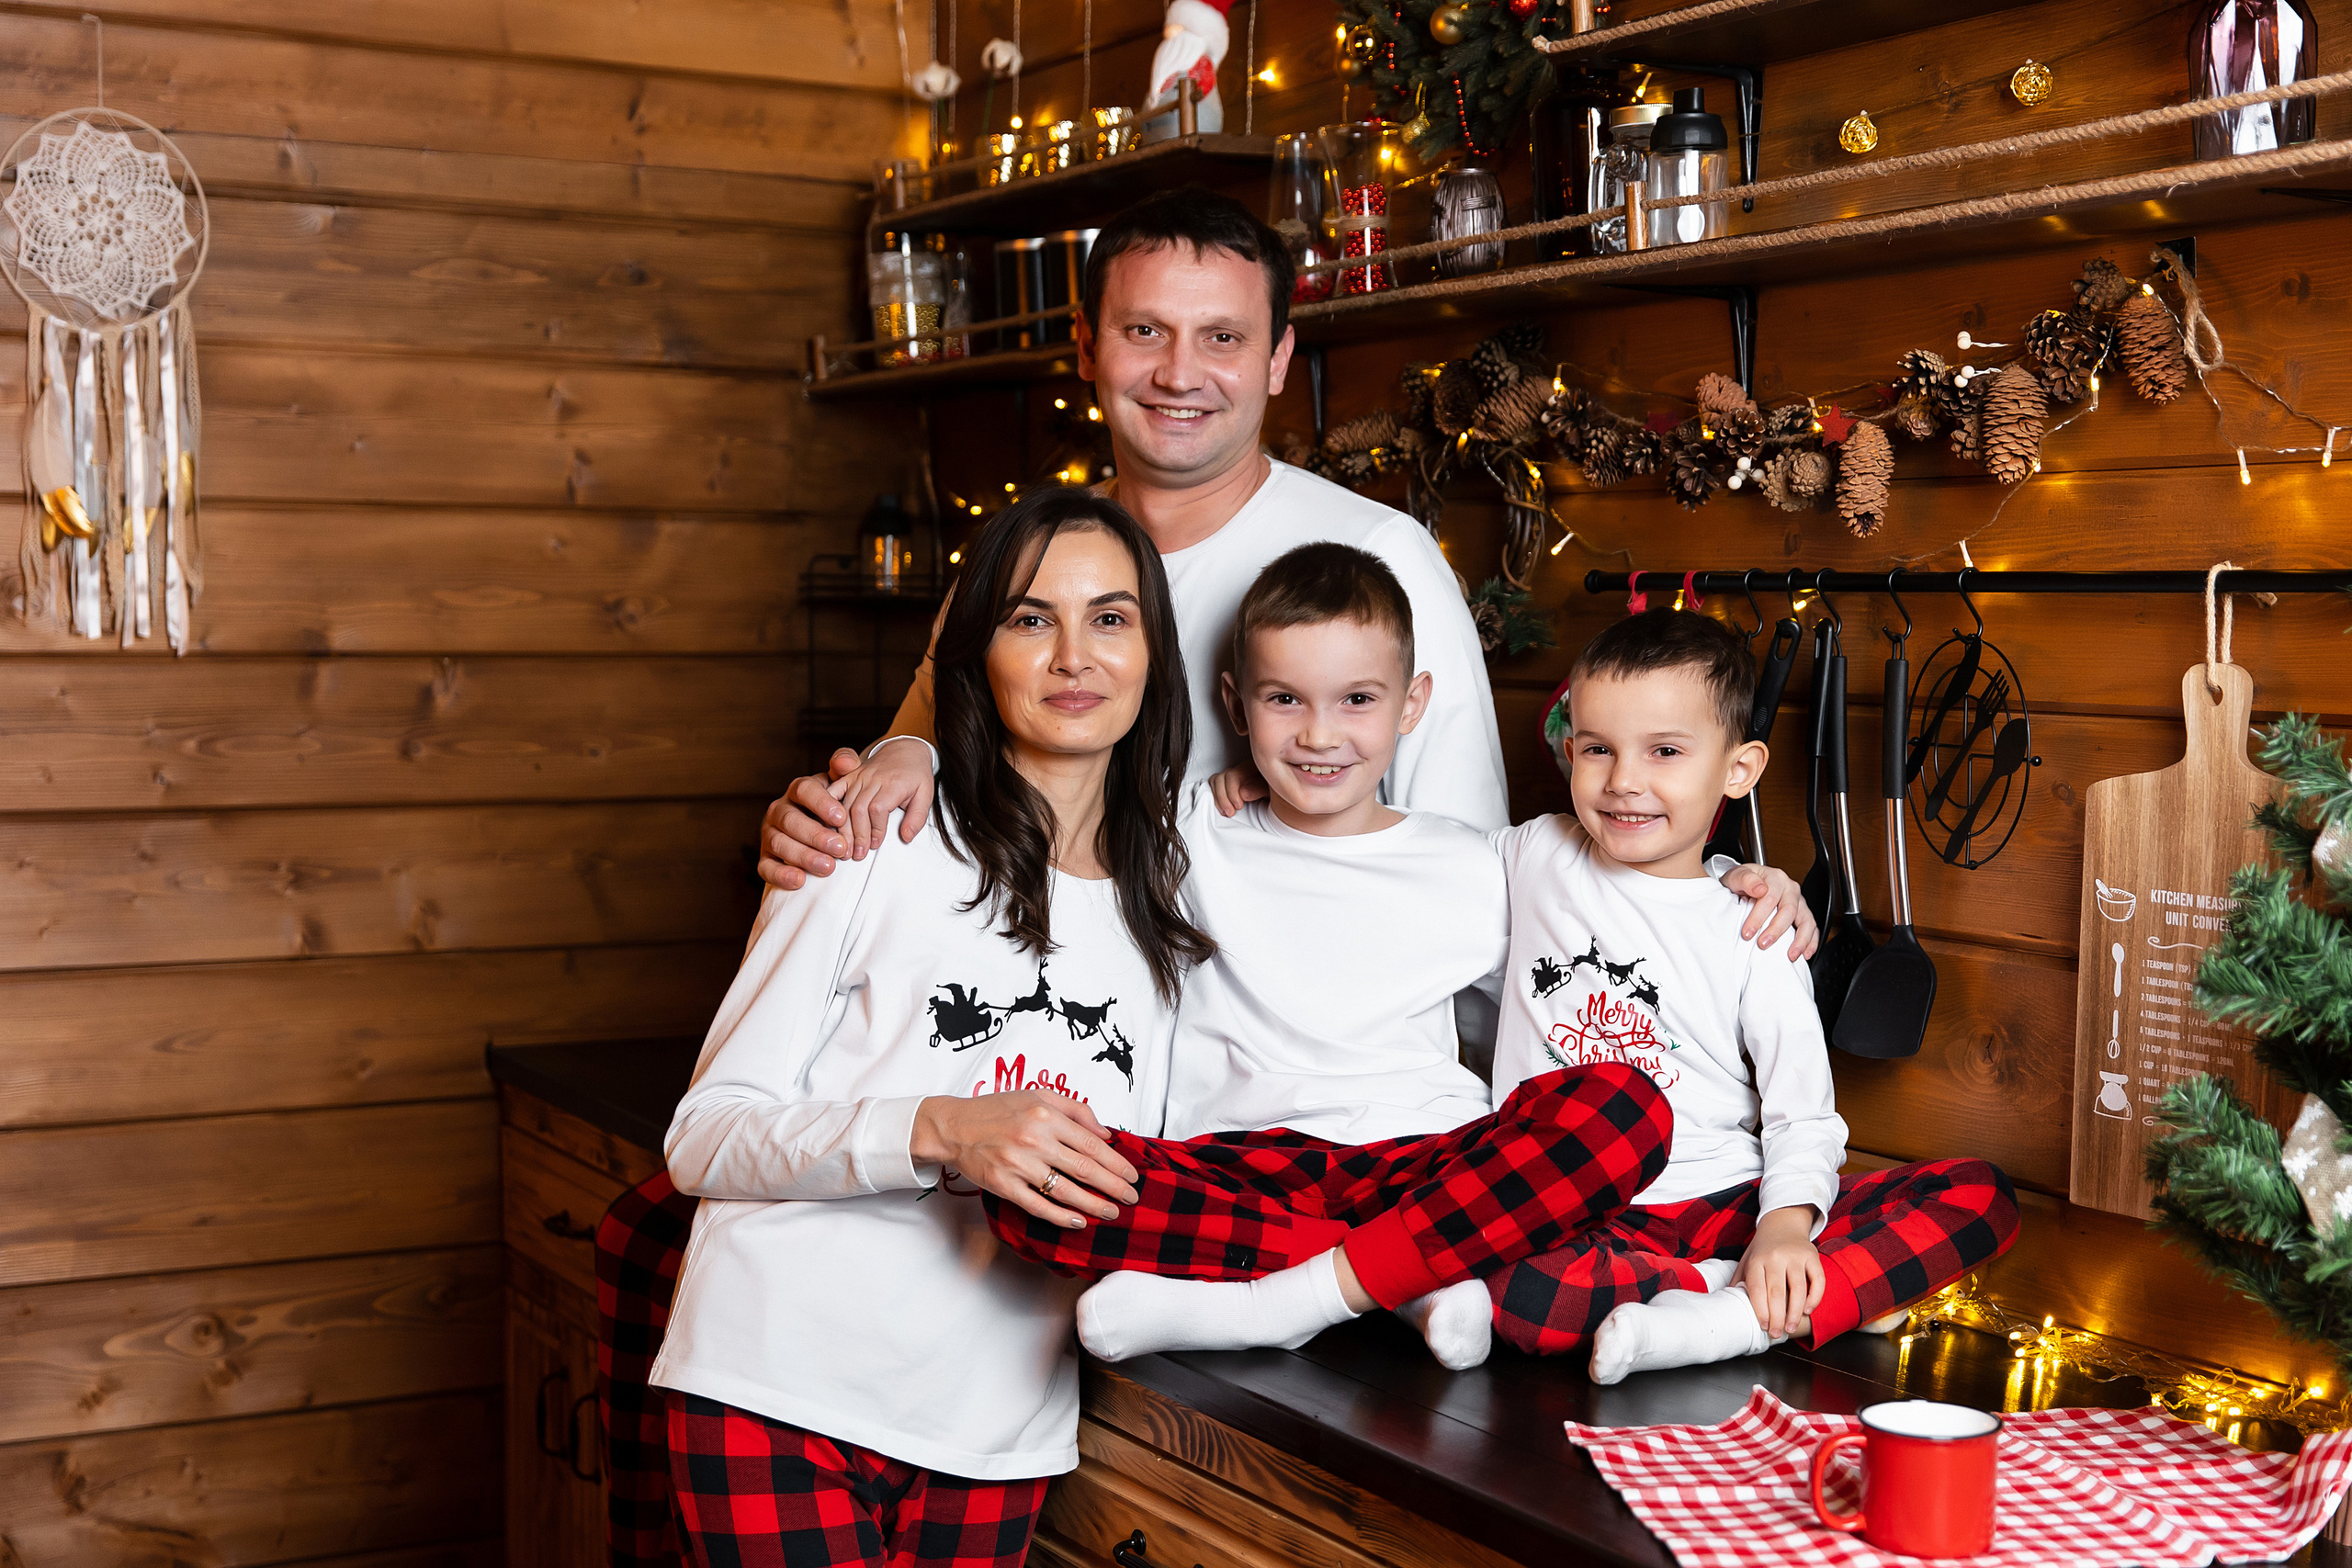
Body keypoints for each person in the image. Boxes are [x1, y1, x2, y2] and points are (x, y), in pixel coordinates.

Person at [980, 547, 1790, 1372]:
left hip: (1428, 1165)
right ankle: (1409, 1282)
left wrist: (1736, 880)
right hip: (1244, 1163)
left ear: (1412, 705)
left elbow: (1626, 910)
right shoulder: (1189, 836)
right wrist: (913, 746)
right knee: (1032, 1187)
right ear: (1236, 705)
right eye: (1284, 699)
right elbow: (1033, 803)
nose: (1319, 734)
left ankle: (1278, 1299)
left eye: (1357, 700)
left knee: (1622, 1107)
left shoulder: (1477, 863)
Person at [641, 488, 1213, 1565]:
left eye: (1110, 617)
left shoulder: (1177, 906)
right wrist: (939, 1128)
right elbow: (703, 1136)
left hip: (997, 1431)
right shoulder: (870, 839)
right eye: (1030, 618)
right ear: (978, 653)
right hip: (776, 1386)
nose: (1073, 656)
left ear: (1154, 655)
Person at [756, 185, 1510, 894]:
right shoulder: (1024, 553)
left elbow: (1465, 863)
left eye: (1222, 337)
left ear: (1277, 359)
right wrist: (830, 821)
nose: (1180, 375)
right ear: (1088, 345)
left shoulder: (1384, 554)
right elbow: (915, 759)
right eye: (1145, 331)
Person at [1477, 610, 2021, 1384]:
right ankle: (1751, 1300)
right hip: (1575, 1216)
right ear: (1571, 751)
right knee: (1522, 1295)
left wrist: (1784, 1230)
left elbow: (1802, 1115)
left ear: (1739, 770)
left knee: (1981, 1196)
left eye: (1665, 751)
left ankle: (1738, 1311)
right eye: (1598, 748)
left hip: (1727, 1203)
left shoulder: (1755, 926)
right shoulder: (1534, 854)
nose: (1623, 779)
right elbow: (1398, 857)